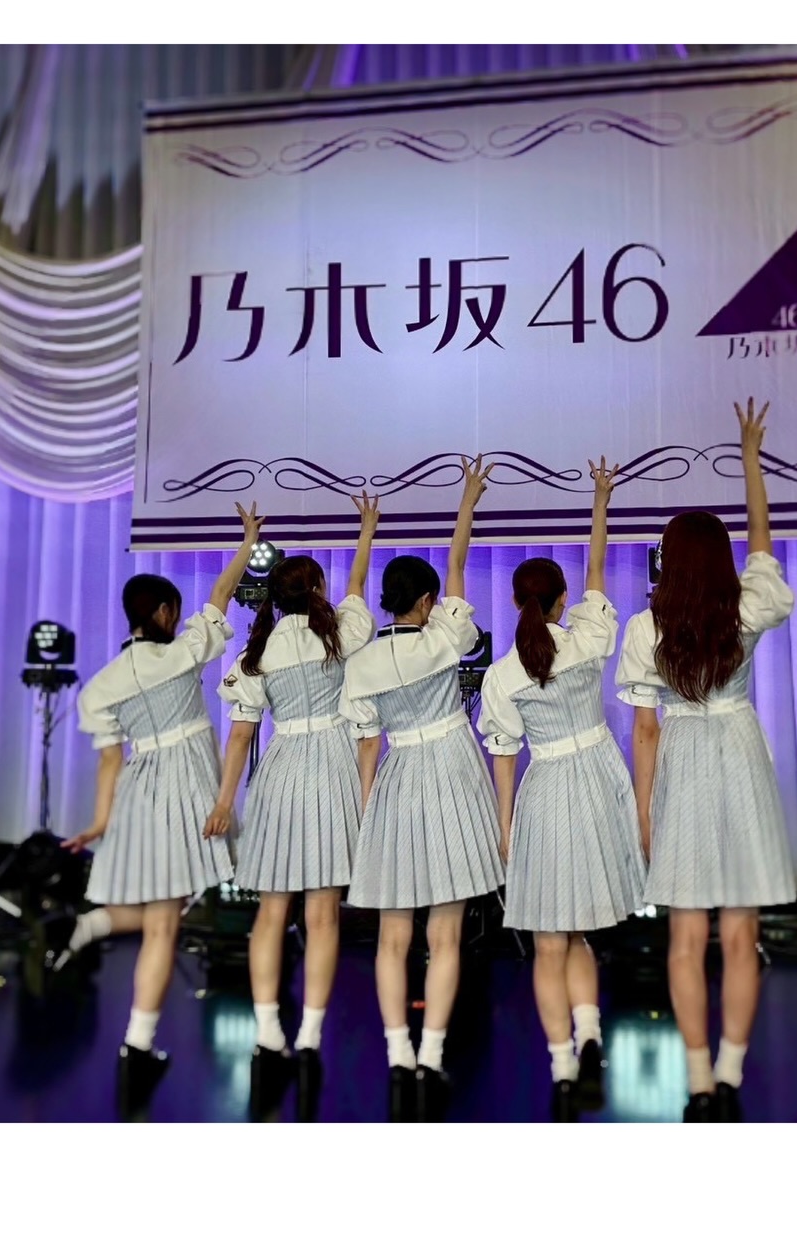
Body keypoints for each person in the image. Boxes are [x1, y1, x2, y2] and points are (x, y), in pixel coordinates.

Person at [616, 400, 796, 1124]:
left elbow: (645, 732)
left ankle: (696, 1081)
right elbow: (764, 550)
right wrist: (751, 461)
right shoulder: (744, 608)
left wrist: (643, 811)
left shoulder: (647, 626)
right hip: (740, 750)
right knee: (741, 933)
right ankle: (728, 1073)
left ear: (667, 556)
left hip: (686, 754)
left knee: (686, 937)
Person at [60, 502, 265, 1121]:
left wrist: (101, 822)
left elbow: (109, 761)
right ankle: (136, 1043)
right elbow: (221, 596)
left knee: (162, 916)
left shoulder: (103, 684)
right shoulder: (182, 654)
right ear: (162, 613)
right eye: (172, 609)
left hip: (140, 790)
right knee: (165, 920)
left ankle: (134, 1035)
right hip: (188, 787)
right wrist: (247, 541)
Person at [478, 456, 647, 1122]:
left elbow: (503, 756)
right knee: (579, 932)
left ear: (516, 602)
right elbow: (598, 569)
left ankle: (563, 1065)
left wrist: (504, 826)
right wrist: (601, 502)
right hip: (598, 781)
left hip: (546, 790)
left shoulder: (503, 674)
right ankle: (591, 1033)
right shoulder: (588, 638)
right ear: (559, 599)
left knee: (549, 940)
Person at [340, 457, 505, 1122]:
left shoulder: (363, 662)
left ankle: (397, 1054)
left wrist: (365, 814)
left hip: (398, 780)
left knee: (391, 935)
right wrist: (468, 500)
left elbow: (366, 743)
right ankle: (432, 1053)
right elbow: (458, 565)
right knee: (445, 930)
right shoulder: (442, 636)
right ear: (427, 600)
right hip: (452, 773)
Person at [204, 494, 380, 1119]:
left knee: (272, 913)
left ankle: (266, 1036)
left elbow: (240, 736)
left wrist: (224, 801)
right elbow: (357, 586)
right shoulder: (341, 633)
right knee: (323, 915)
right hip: (331, 763)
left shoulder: (257, 652)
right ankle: (307, 1040)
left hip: (281, 771)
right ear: (317, 591)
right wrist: (366, 530)